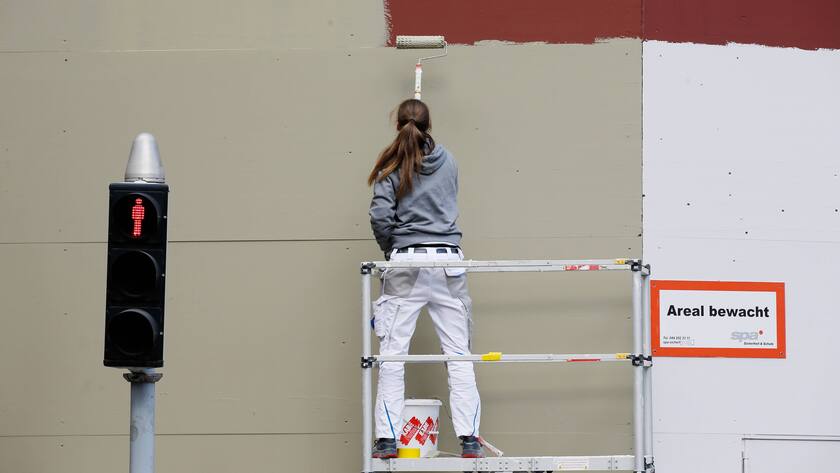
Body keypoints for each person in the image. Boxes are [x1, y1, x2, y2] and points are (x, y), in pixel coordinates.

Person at [367, 99, 482, 459]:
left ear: (397, 124)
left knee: (393, 357)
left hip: (406, 263)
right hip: (448, 265)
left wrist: (392, 249)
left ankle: (387, 440)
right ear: (429, 125)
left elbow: (380, 217)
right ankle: (469, 439)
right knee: (459, 356)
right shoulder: (450, 161)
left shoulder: (392, 166)